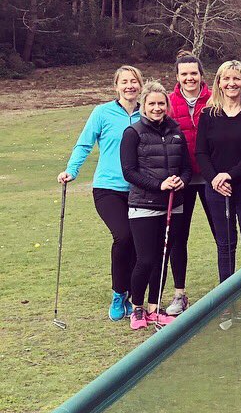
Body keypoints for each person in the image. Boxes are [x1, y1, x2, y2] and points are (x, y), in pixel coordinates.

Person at [58, 65, 143, 321]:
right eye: (124, 82)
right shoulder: (102, 113)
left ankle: (135, 296)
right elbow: (84, 144)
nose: (129, 86)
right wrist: (71, 170)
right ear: (116, 86)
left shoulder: (147, 113)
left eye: (134, 81)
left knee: (140, 244)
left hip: (140, 189)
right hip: (108, 189)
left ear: (141, 85)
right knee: (124, 237)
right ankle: (119, 294)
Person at [119, 81, 190, 330]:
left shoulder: (176, 131)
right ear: (144, 106)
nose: (157, 108)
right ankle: (137, 308)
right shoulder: (134, 132)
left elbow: (186, 167)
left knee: (162, 258)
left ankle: (154, 307)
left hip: (173, 204)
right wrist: (159, 185)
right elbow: (129, 171)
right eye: (152, 104)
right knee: (146, 259)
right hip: (144, 204)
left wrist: (181, 181)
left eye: (161, 103)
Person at [195, 60, 241, 286]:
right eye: (226, 78)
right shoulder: (208, 114)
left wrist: (230, 175)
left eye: (236, 78)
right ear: (219, 82)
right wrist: (215, 178)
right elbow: (201, 153)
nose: (231, 83)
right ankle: (227, 294)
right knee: (225, 244)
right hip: (217, 188)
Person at [164, 53, 217, 316]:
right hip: (181, 181)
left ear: (201, 75)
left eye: (193, 73)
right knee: (178, 238)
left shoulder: (214, 98)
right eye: (184, 74)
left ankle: (228, 288)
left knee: (223, 235)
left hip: (212, 178)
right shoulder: (169, 103)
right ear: (177, 77)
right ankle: (179, 294)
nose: (189, 78)